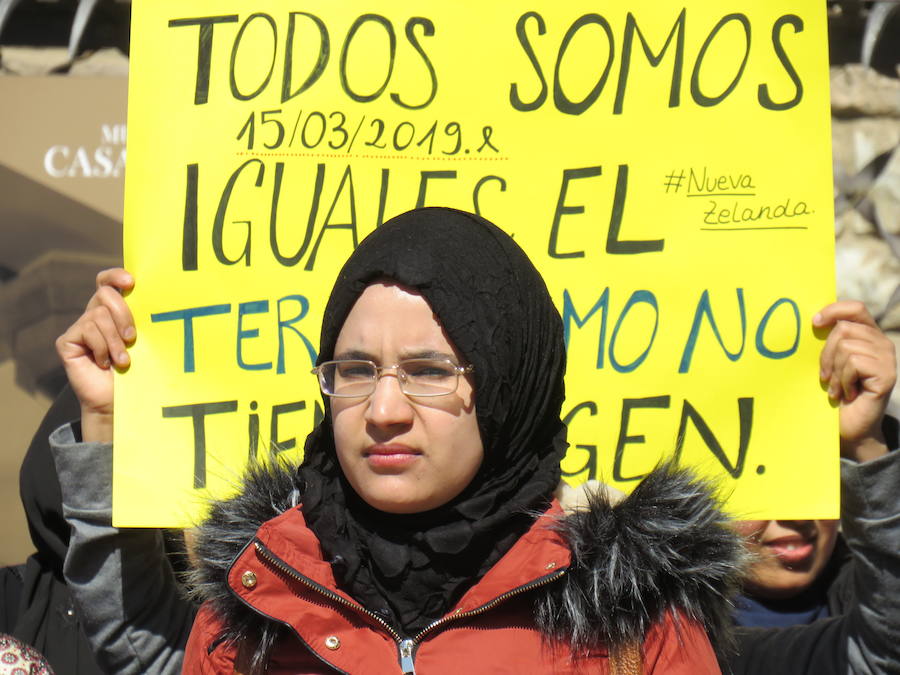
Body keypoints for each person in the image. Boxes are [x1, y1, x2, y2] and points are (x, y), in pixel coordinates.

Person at [56, 208, 745, 674]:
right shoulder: (254, 603)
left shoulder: (630, 615)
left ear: (508, 387)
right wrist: (111, 420)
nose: (384, 408)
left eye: (428, 371)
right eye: (355, 370)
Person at [724, 300, 900, 674]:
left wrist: (865, 442)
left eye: (812, 470)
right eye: (762, 477)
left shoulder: (868, 587)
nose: (795, 512)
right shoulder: (666, 646)